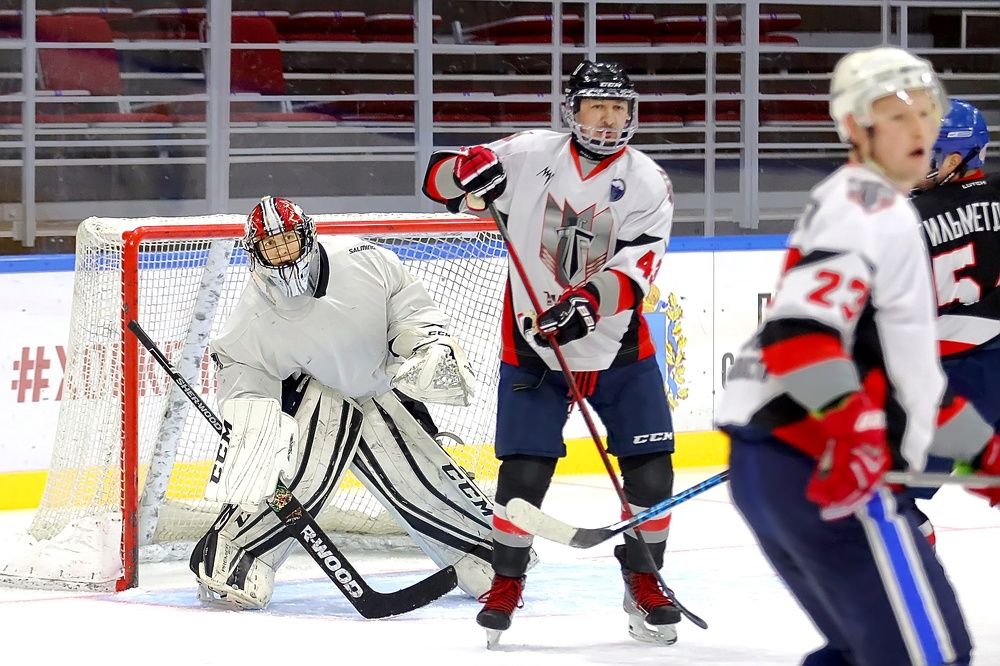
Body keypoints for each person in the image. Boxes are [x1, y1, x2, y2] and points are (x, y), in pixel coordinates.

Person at [717, 47, 1000, 666]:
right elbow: (798, 337)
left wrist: (985, 452)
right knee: (929, 657)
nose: (917, 128)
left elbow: (912, 383)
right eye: (896, 115)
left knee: (866, 653)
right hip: (817, 461)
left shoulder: (881, 207)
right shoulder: (866, 208)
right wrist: (853, 428)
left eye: (925, 112)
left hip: (788, 460)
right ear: (854, 126)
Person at [422, 60, 679, 647]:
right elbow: (438, 180)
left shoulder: (648, 182)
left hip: (617, 348)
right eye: (597, 106)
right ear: (573, 111)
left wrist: (587, 302)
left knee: (652, 471)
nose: (608, 119)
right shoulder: (530, 154)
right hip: (533, 347)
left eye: (618, 108)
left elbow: (638, 267)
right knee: (523, 475)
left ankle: (644, 580)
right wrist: (464, 170)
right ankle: (506, 582)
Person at [188, 195, 515, 610]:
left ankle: (479, 549)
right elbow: (240, 364)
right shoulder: (253, 314)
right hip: (315, 400)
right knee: (294, 477)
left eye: (288, 239)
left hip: (380, 386)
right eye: (271, 245)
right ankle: (231, 555)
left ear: (307, 235)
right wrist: (254, 418)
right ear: (256, 252)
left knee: (418, 478)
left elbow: (407, 304)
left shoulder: (363, 259)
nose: (282, 252)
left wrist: (426, 345)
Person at [903, 99, 1000, 544]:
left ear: (955, 159)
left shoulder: (907, 219)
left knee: (884, 500)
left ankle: (914, 582)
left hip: (954, 384)